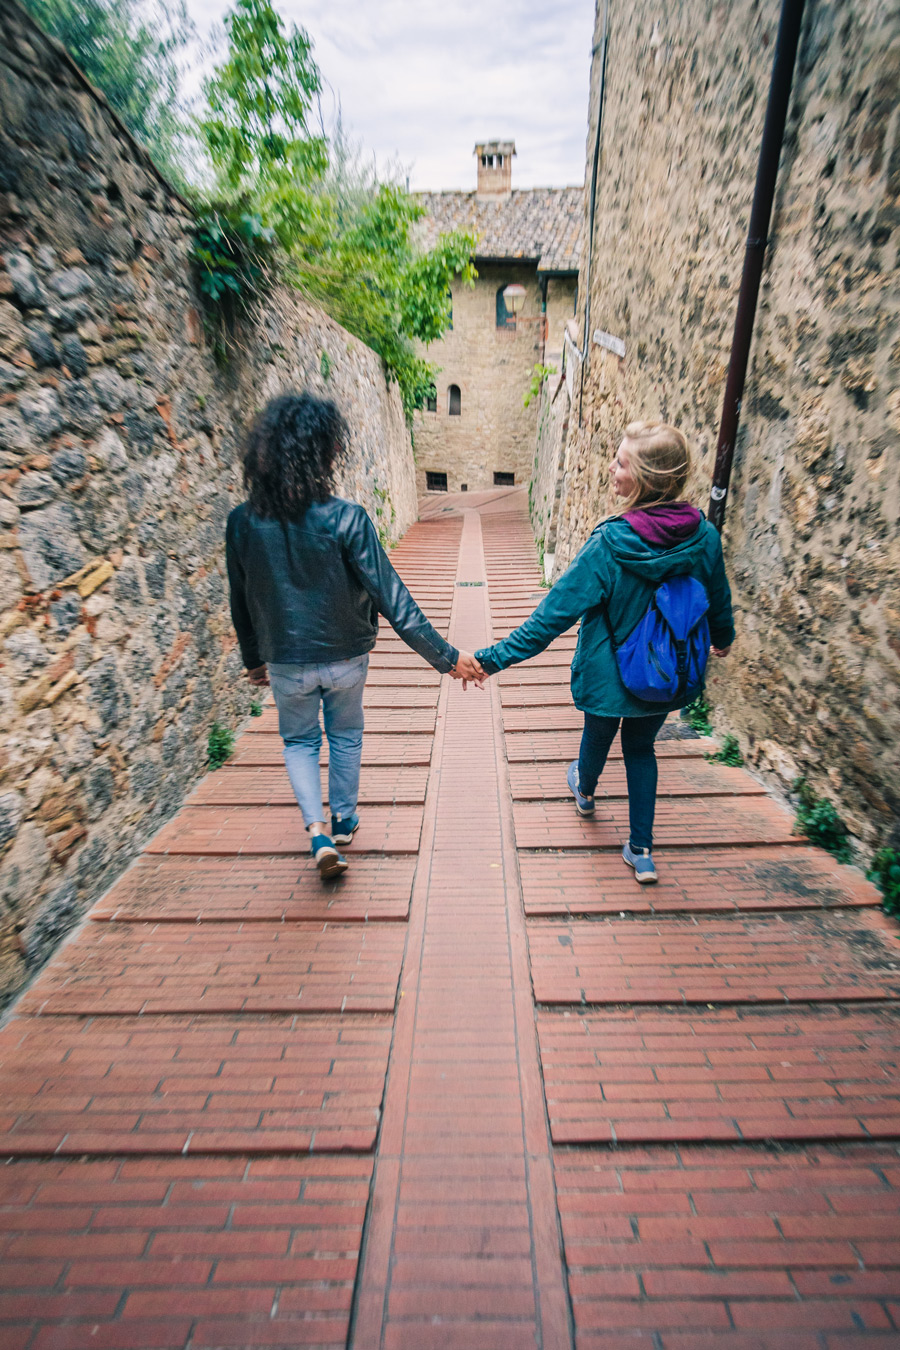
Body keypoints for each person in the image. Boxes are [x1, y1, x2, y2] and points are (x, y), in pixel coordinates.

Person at [226, 392, 483, 880]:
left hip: (285, 660)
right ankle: (344, 819)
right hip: (346, 658)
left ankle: (317, 830)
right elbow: (394, 600)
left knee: (299, 741)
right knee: (345, 733)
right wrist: (448, 658)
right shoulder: (347, 518)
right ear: (324, 452)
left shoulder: (241, 522)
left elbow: (241, 599)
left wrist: (252, 659)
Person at [475, 420, 734, 884]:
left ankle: (586, 790)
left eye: (621, 462)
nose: (611, 468)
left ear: (645, 479)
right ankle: (642, 851)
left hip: (611, 671)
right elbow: (718, 597)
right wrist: (724, 638)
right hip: (667, 671)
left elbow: (550, 619)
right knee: (640, 748)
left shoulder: (610, 544)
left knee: (598, 733)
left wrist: (489, 660)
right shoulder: (705, 536)